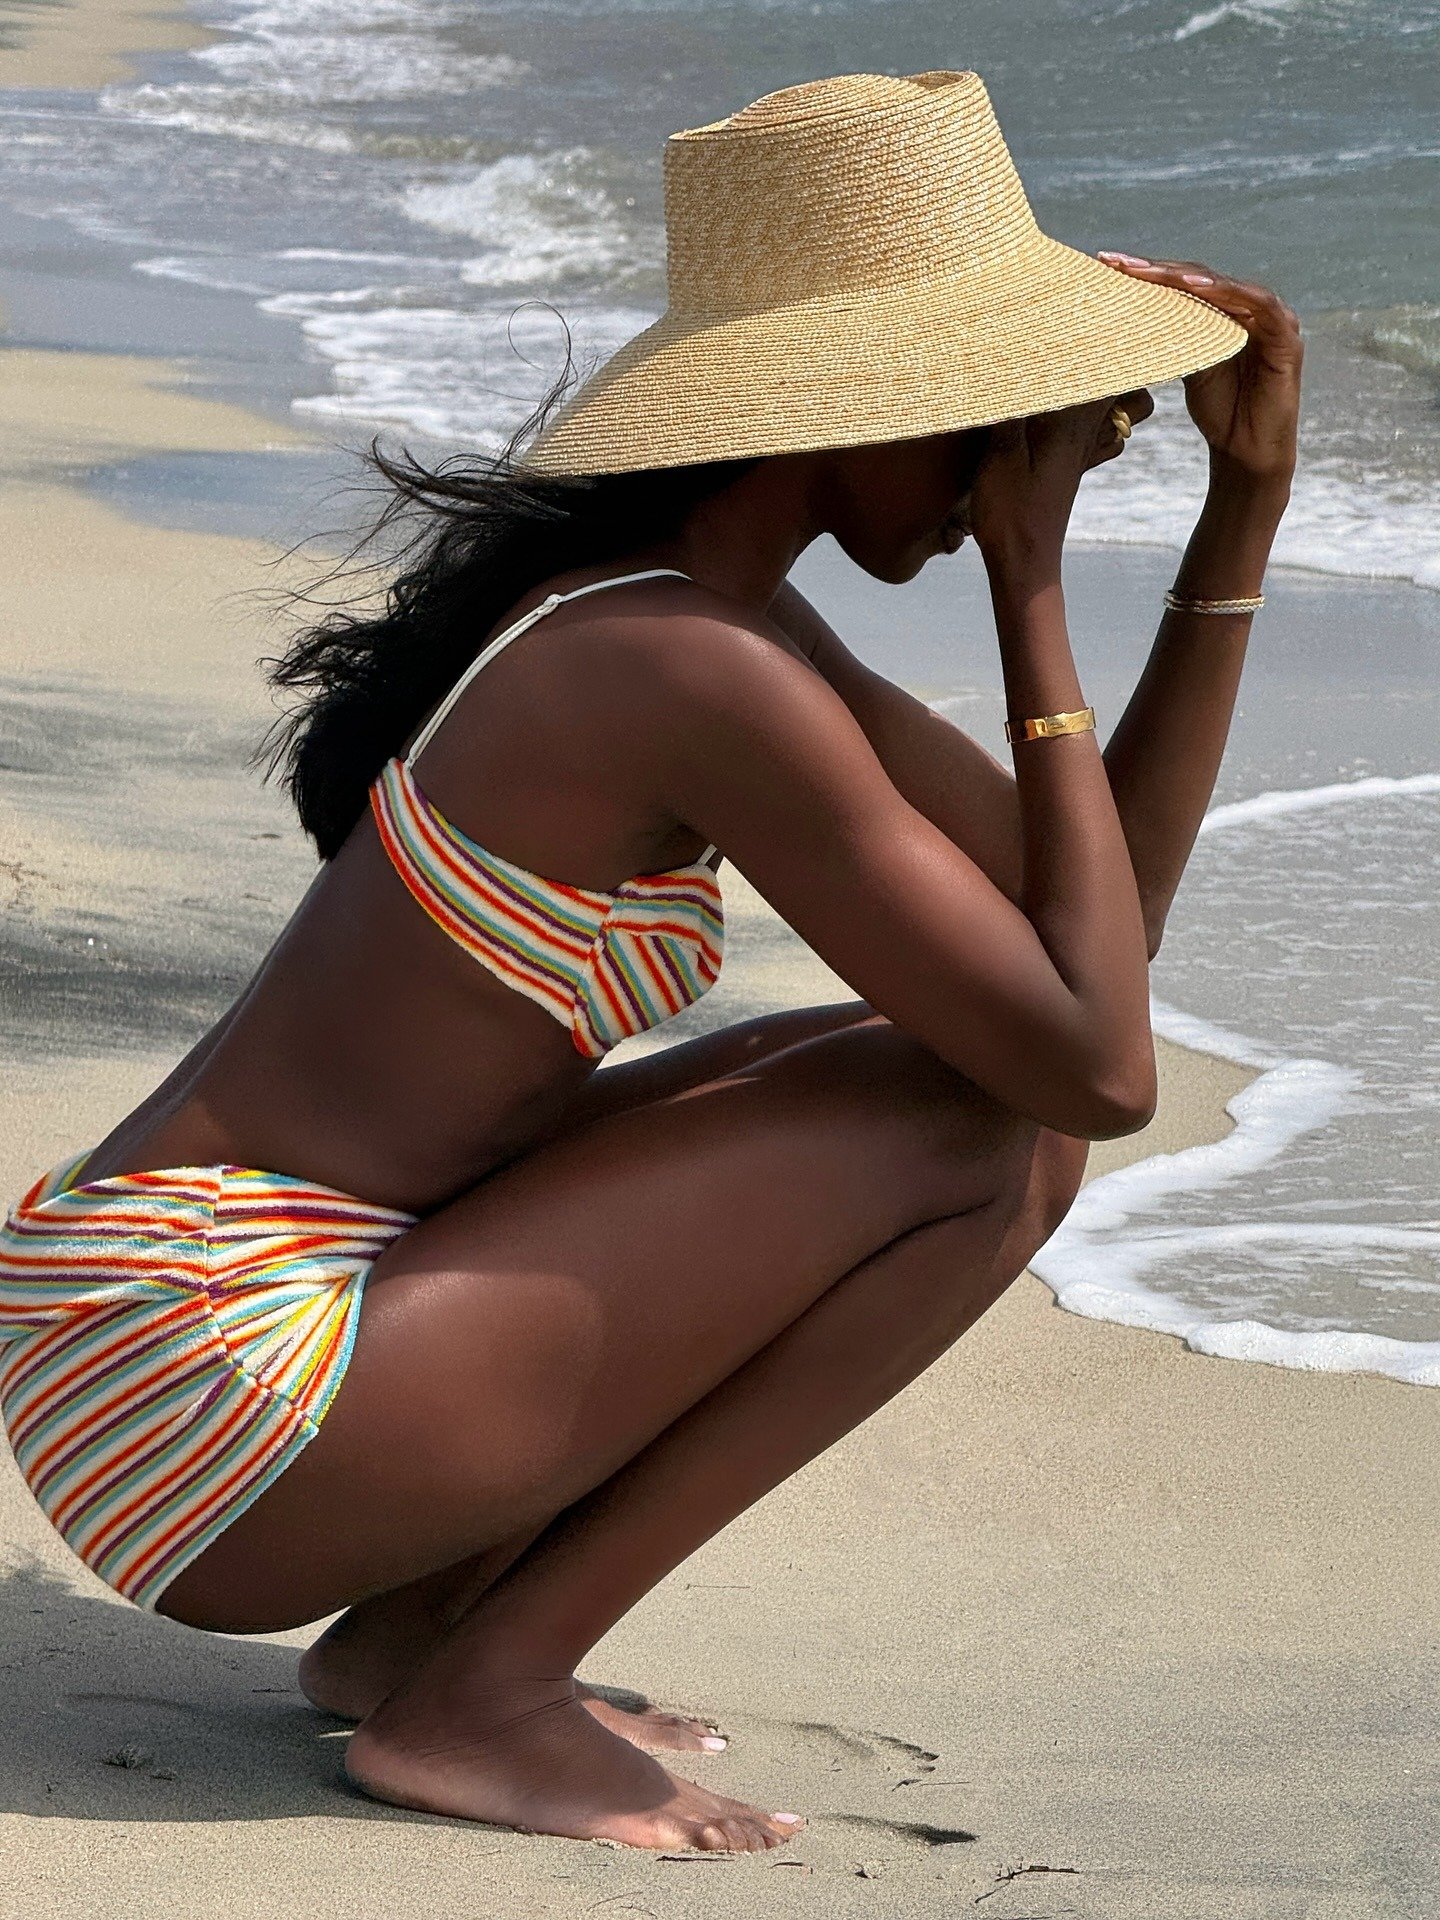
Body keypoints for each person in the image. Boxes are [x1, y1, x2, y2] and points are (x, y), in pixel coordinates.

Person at [0, 71, 1301, 1852]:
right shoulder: (684, 668)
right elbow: (1096, 1060)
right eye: (1004, 412)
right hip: (211, 1384)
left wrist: (1239, 526)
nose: (1055, 445)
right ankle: (487, 1697)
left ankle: (428, 1637)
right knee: (986, 1126)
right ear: (855, 410)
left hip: (175, 1336)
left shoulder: (711, 621)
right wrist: (1029, 589)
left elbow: (1093, 947)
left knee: (938, 1066)